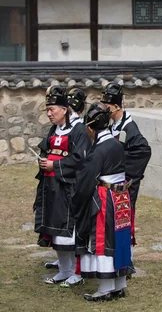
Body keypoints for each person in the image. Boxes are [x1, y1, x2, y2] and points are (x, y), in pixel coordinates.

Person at [72, 102, 134, 301]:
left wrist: (77, 199)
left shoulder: (98, 150)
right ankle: (118, 285)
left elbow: (86, 180)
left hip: (105, 198)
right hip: (122, 197)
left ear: (90, 128)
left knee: (104, 240)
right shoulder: (116, 143)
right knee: (120, 238)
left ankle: (106, 288)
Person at [34, 85, 90, 285]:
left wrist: (55, 165)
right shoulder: (54, 129)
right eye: (47, 110)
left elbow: (80, 160)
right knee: (54, 229)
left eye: (52, 110)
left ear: (64, 109)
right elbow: (46, 148)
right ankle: (64, 269)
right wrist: (43, 161)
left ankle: (78, 271)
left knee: (70, 231)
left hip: (68, 188)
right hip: (51, 187)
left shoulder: (79, 130)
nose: (49, 114)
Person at [101, 83, 151, 248]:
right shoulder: (112, 126)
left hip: (125, 182)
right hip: (111, 183)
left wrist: (118, 163)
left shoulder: (129, 127)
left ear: (116, 107)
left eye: (106, 107)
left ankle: (125, 258)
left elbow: (143, 151)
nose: (104, 110)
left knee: (124, 219)